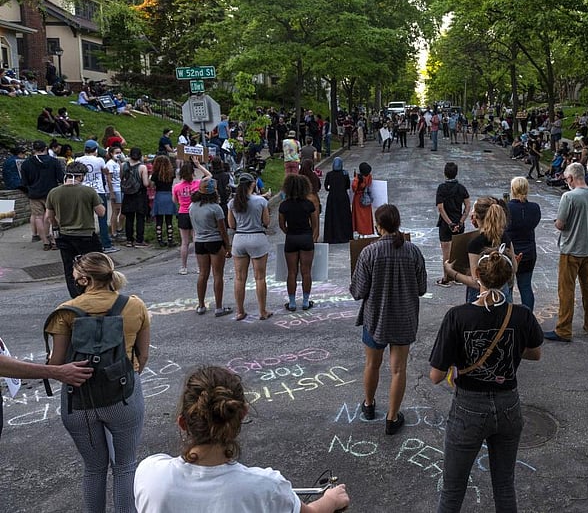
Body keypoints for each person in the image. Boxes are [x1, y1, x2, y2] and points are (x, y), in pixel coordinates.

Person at [134, 366, 349, 513]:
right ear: (242, 414)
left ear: (183, 423)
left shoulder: (150, 473)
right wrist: (331, 500)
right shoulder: (265, 486)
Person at [428, 249, 543, 513]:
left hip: (468, 408)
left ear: (477, 275)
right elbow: (535, 353)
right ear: (508, 277)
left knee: (453, 489)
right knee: (504, 486)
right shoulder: (522, 314)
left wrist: (456, 365)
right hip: (508, 405)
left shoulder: (458, 317)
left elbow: (435, 375)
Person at [45, 252, 150, 512]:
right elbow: (143, 355)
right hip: (123, 395)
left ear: (83, 279)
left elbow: (56, 364)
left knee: (93, 469)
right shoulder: (135, 305)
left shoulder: (65, 312)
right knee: (125, 466)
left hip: (79, 400)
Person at [350, 204, 427, 435]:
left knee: (372, 364)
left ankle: (369, 404)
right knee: (398, 369)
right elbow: (421, 288)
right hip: (404, 318)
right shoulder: (413, 251)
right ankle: (392, 418)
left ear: (378, 225)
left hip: (375, 318)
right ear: (398, 224)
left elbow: (358, 291)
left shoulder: (369, 252)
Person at [545, 163, 588, 342]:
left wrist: (558, 222)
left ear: (570, 178)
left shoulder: (568, 197)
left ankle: (563, 329)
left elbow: (560, 224)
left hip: (570, 249)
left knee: (566, 290)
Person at [45, 161, 106, 297]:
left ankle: (76, 296)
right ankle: (96, 293)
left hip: (64, 234)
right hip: (86, 234)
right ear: (81, 176)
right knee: (95, 265)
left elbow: (49, 216)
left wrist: (56, 226)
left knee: (69, 268)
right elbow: (101, 212)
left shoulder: (54, 192)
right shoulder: (88, 191)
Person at [445, 196, 516, 304]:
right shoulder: (504, 237)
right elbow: (514, 268)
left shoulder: (475, 244)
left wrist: (452, 272)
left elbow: (476, 282)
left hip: (482, 296)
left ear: (476, 217)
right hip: (502, 292)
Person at [229, 173, 272, 321]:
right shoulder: (261, 201)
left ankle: (240, 311)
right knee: (260, 277)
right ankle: (262, 311)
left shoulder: (232, 203)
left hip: (239, 239)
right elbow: (266, 222)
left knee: (240, 278)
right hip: (257, 238)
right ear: (253, 184)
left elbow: (231, 225)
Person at [189, 178, 231, 317]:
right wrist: (228, 246)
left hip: (199, 241)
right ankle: (218, 307)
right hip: (215, 241)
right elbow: (222, 230)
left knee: (203, 274)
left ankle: (201, 305)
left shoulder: (192, 206)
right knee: (218, 274)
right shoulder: (215, 208)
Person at [279, 174, 319, 312]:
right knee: (306, 272)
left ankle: (291, 302)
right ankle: (306, 301)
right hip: (306, 237)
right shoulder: (308, 204)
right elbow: (314, 224)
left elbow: (281, 225)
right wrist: (311, 235)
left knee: (291, 272)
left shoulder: (284, 205)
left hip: (291, 238)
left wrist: (289, 232)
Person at [20, 139, 64, 250]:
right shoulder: (53, 161)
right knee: (52, 217)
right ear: (45, 149)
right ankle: (55, 240)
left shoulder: (26, 164)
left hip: (34, 193)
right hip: (51, 192)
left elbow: (24, 182)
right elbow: (61, 177)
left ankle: (45, 241)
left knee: (38, 217)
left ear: (33, 150)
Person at [506, 177, 541, 311]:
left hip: (510, 251)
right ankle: (527, 318)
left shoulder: (508, 208)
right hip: (528, 252)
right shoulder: (534, 208)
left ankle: (507, 317)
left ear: (512, 190)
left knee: (507, 287)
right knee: (525, 286)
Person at [434, 162, 471, 287]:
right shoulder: (461, 188)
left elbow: (440, 207)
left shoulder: (441, 188)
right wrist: (461, 221)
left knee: (446, 253)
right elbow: (467, 205)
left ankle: (446, 278)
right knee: (458, 250)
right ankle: (457, 277)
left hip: (445, 224)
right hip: (459, 222)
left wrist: (449, 223)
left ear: (445, 173)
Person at [174, 159, 212, 274]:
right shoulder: (197, 184)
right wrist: (199, 165)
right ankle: (199, 266)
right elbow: (209, 175)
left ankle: (183, 267)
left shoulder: (176, 187)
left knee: (184, 242)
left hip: (183, 213)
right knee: (197, 240)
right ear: (193, 173)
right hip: (195, 213)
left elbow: (174, 200)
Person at [122, 147, 151, 248]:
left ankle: (129, 240)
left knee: (129, 218)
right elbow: (146, 183)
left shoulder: (123, 165)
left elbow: (122, 179)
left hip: (127, 194)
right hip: (139, 195)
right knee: (140, 218)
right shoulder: (142, 167)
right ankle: (139, 240)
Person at [322, 157, 352, 244]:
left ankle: (332, 236)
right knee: (343, 216)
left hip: (332, 198)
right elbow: (347, 185)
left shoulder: (329, 174)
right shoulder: (345, 174)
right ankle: (344, 235)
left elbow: (326, 186)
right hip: (343, 197)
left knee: (332, 216)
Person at [151, 156, 178, 248]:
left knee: (159, 220)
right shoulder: (171, 173)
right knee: (169, 220)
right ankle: (170, 239)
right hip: (168, 196)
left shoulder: (155, 174)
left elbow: (151, 185)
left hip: (159, 196)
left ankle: (160, 240)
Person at [351, 162, 374, 237]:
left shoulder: (358, 177)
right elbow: (369, 185)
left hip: (358, 198)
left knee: (359, 217)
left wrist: (355, 178)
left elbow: (354, 187)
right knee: (366, 216)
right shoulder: (369, 177)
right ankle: (366, 232)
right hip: (366, 197)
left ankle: (360, 232)